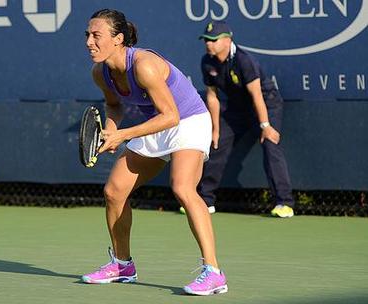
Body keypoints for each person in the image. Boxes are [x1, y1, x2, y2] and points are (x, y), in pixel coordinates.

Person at [81, 9, 228, 296]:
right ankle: (122, 265)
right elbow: (114, 105)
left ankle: (213, 272)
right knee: (114, 191)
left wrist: (122, 135)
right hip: (156, 123)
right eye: (87, 35)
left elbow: (171, 116)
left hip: (187, 119)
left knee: (183, 187)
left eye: (96, 35)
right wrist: (111, 130)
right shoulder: (101, 72)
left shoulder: (144, 65)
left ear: (118, 38)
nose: (89, 41)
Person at [196, 21, 295, 218]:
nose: (209, 44)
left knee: (270, 143)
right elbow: (212, 97)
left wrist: (265, 126)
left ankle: (284, 203)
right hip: (238, 108)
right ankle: (205, 201)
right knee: (216, 143)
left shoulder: (244, 60)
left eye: (213, 40)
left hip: (266, 104)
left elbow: (257, 95)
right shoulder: (207, 62)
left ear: (227, 40)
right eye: (206, 40)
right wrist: (215, 129)